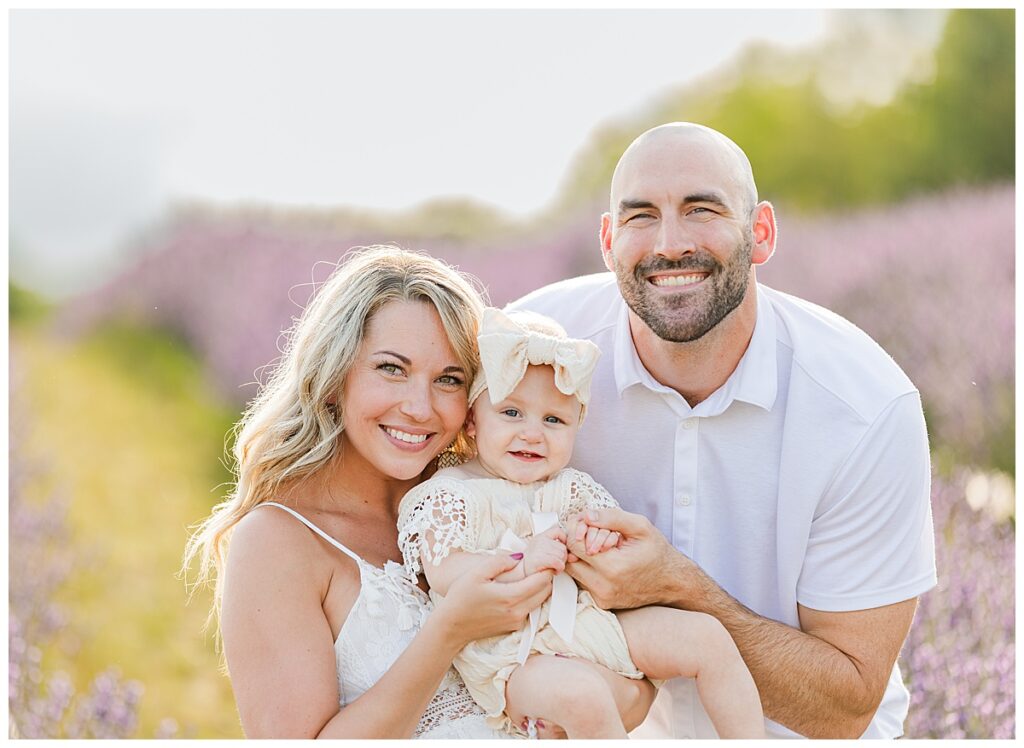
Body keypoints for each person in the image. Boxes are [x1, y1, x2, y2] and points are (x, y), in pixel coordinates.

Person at [509, 122, 936, 739]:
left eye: (701, 209)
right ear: (607, 241)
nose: (670, 243)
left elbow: (846, 707)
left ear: (760, 233)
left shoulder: (864, 406)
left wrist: (680, 589)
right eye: (640, 217)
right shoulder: (533, 353)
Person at [183, 246, 554, 738]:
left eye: (449, 379)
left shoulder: (479, 501)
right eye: (391, 369)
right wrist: (448, 633)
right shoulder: (278, 542)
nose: (420, 408)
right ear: (334, 377)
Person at [397, 307, 764, 739]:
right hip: (515, 653)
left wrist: (600, 539)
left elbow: (612, 543)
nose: (533, 433)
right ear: (474, 421)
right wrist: (521, 560)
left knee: (706, 636)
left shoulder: (572, 488)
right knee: (582, 696)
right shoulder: (449, 494)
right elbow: (445, 572)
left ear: (577, 427)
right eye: (511, 413)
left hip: (591, 622)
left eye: (553, 420)